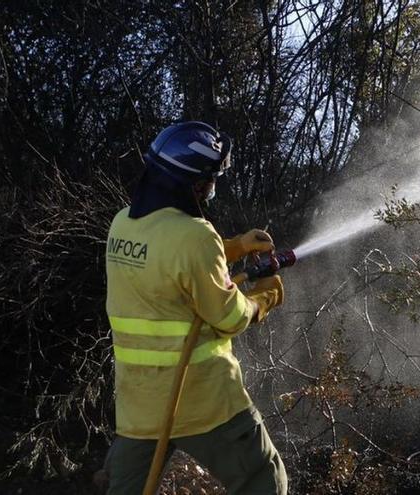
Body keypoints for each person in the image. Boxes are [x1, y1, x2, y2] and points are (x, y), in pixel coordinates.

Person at [103, 121, 288, 494]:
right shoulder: (195, 236)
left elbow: (170, 257)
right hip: (204, 401)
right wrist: (265, 296)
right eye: (210, 178)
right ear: (192, 183)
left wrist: (233, 246)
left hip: (140, 405)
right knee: (265, 481)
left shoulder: (122, 224)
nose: (211, 187)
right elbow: (229, 317)